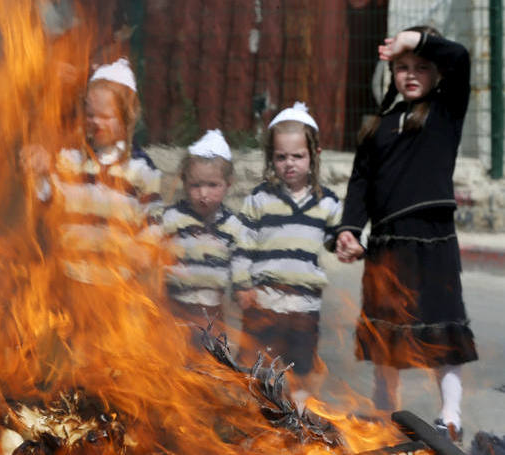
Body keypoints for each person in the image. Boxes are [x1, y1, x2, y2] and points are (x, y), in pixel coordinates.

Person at [335, 26, 477, 443]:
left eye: (420, 67)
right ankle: (385, 410)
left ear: (436, 74)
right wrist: (348, 229)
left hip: (432, 239)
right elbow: (360, 183)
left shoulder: (445, 111)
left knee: (441, 328)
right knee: (386, 333)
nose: (410, 74)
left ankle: (450, 413)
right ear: (390, 73)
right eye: (401, 67)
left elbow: (461, 56)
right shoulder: (379, 125)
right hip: (386, 243)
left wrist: (412, 40)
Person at [21, 57, 162, 300]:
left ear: (127, 117)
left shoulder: (141, 170)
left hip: (116, 285)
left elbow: (153, 220)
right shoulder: (69, 159)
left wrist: (145, 249)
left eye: (105, 116)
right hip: (71, 278)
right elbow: (50, 204)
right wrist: (42, 176)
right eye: (90, 114)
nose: (95, 122)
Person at [232, 102, 342, 409]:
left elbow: (337, 236)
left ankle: (298, 418)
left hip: (304, 309)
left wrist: (347, 241)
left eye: (298, 156)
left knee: (301, 369)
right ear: (271, 159)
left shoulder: (327, 202)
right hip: (264, 303)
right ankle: (256, 418)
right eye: (281, 157)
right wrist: (241, 284)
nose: (289, 163)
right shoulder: (259, 199)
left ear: (314, 155)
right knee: (258, 365)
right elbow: (243, 244)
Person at [159, 129, 243, 342]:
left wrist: (243, 289)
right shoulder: (172, 219)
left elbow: (240, 266)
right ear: (185, 183)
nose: (203, 194)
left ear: (228, 185)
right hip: (175, 311)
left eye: (212, 185)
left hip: (212, 314)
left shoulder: (233, 227)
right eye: (196, 185)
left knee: (209, 368)